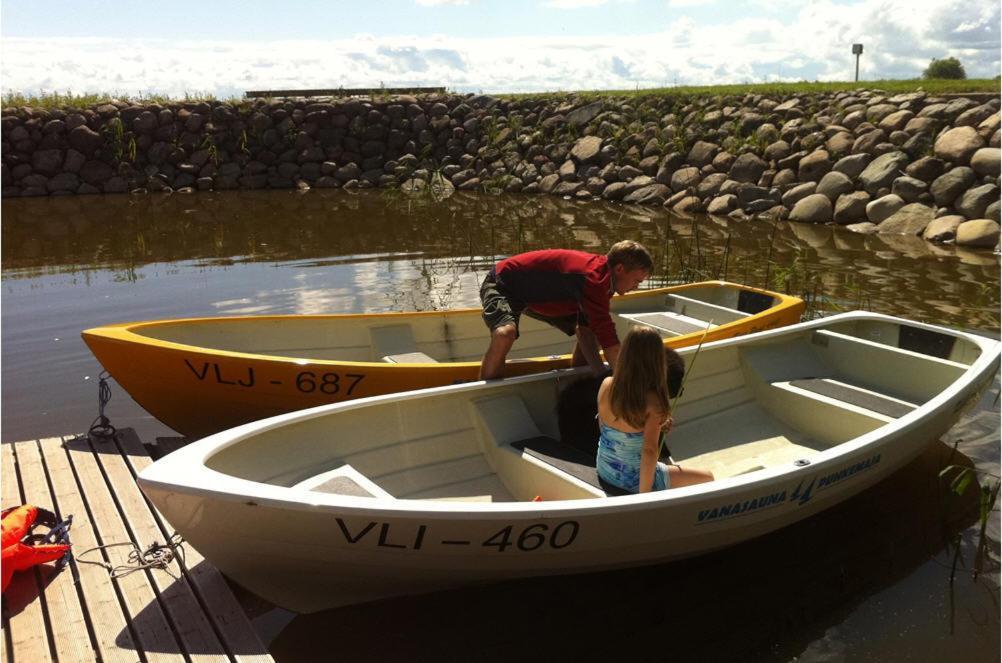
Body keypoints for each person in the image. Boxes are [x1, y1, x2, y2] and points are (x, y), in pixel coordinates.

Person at [479, 241, 653, 380]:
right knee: (505, 334)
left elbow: (586, 332)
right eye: (636, 281)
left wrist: (601, 375)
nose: (636, 287)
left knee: (590, 330)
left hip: (538, 295)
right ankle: (484, 389)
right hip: (503, 282)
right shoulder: (594, 279)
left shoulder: (605, 281)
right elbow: (610, 343)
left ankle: (581, 379)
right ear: (620, 269)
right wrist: (625, 382)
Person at [596, 327, 714, 493]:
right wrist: (645, 495)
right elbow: (649, 451)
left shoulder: (607, 384)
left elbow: (607, 430)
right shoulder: (655, 403)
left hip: (605, 472)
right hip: (634, 482)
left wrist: (656, 425)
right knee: (708, 478)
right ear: (657, 360)